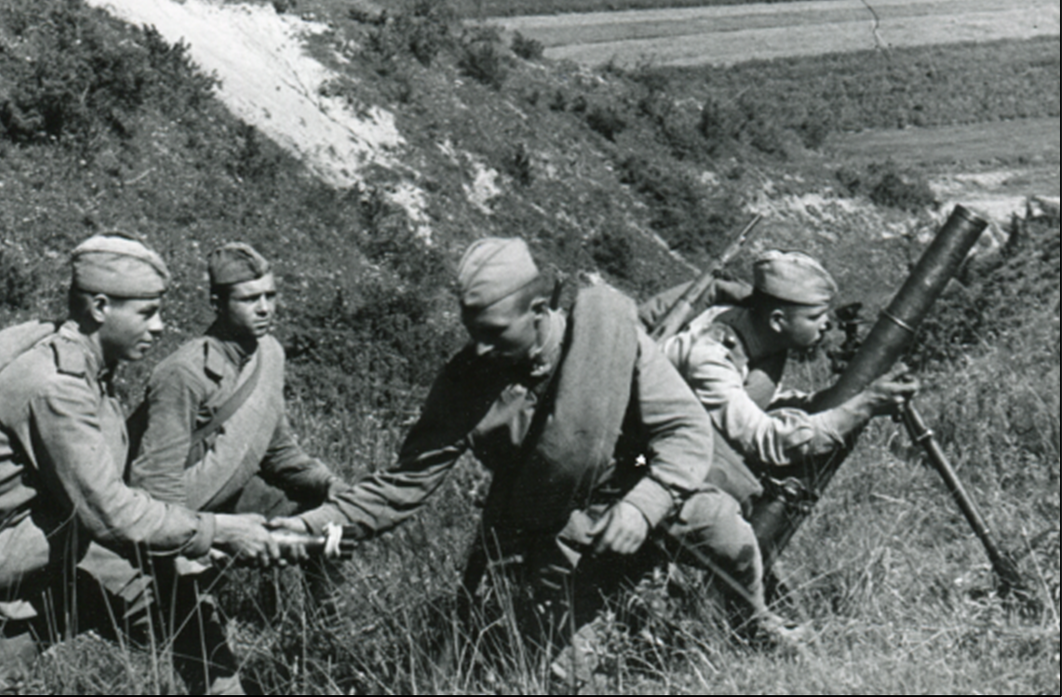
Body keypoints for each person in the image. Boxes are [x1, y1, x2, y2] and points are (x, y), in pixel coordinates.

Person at [278, 237, 792, 686]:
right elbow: (401, 486)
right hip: (559, 533)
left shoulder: (608, 339)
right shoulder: (466, 384)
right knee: (563, 674)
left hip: (646, 493)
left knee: (731, 538)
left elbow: (684, 431)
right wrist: (307, 528)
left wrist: (642, 507)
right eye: (471, 330)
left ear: (540, 308)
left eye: (495, 331)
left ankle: (751, 625)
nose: (479, 347)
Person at [0, 234, 293, 696]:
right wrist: (217, 530)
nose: (159, 327)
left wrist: (190, 535)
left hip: (49, 565)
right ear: (100, 307)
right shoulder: (55, 387)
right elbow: (111, 513)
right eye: (146, 312)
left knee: (177, 599)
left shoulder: (86, 368)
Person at [128, 243, 344, 631]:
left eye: (270, 296)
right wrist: (195, 543)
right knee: (182, 626)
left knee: (331, 523)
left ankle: (327, 627)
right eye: (249, 299)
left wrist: (328, 484)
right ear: (218, 303)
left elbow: (277, 451)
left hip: (233, 496)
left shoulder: (270, 355)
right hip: (186, 511)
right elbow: (155, 483)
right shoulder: (184, 373)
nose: (265, 308)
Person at [660, 249, 919, 479]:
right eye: (815, 316)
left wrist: (839, 399)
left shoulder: (757, 334)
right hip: (652, 458)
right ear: (778, 320)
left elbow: (760, 401)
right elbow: (763, 439)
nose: (826, 323)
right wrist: (864, 405)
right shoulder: (710, 359)